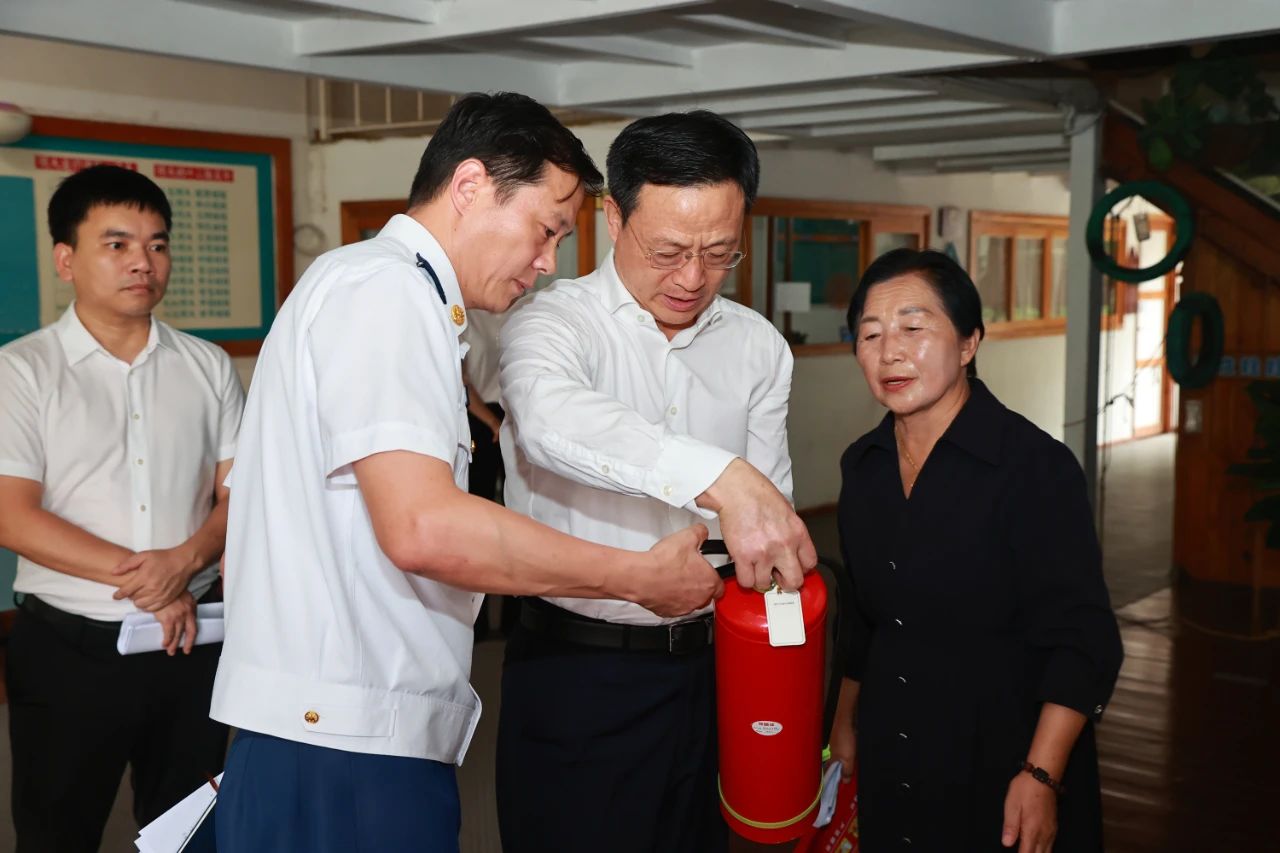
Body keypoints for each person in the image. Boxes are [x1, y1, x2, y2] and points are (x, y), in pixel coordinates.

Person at [209, 92, 724, 853]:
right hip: (344, 738)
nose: (548, 262)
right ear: (471, 186)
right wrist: (635, 576)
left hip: (342, 723)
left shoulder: (382, 289)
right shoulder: (385, 291)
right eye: (546, 229)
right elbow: (424, 527)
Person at [495, 110, 816, 853]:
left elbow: (767, 517)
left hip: (714, 668)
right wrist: (723, 477)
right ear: (613, 217)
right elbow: (548, 419)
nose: (692, 278)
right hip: (579, 672)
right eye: (668, 251)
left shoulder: (758, 347)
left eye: (719, 253)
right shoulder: (552, 323)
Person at [829, 248, 1123, 852]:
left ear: (968, 343)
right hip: (895, 748)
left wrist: (1041, 775)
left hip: (1002, 757)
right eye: (871, 334)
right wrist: (844, 720)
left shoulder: (1033, 469)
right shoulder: (863, 466)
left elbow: (1083, 640)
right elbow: (864, 616)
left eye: (913, 328)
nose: (889, 352)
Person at [0, 164, 243, 852]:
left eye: (157, 244)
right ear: (66, 259)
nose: (143, 261)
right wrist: (154, 580)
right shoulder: (21, 371)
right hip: (69, 648)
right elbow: (12, 514)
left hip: (190, 642)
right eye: (117, 244)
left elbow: (239, 495)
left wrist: (184, 563)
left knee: (188, 828)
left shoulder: (208, 365)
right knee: (57, 832)